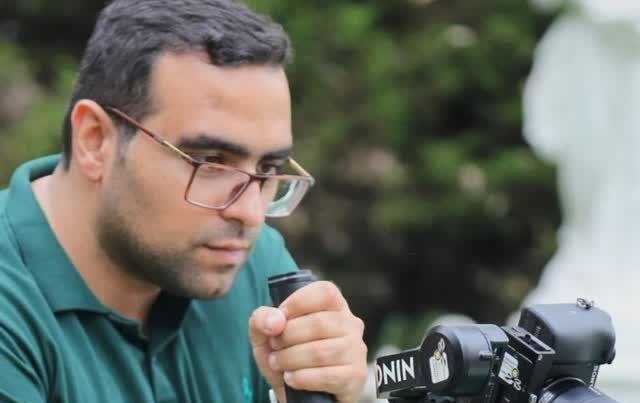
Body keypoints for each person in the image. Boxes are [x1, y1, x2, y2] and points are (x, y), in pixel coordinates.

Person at [0, 0, 368, 402]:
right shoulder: (11, 301)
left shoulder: (250, 263)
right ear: (95, 140)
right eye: (211, 163)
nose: (250, 214)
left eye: (267, 169)